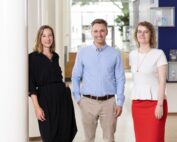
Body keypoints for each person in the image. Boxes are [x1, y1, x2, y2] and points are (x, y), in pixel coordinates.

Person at [72, 18, 125, 142]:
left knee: (109, 138)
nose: (98, 34)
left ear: (106, 32)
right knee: (89, 138)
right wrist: (78, 99)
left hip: (109, 103)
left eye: (102, 31)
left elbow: (120, 78)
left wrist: (120, 102)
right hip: (88, 102)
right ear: (91, 33)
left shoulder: (115, 53)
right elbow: (75, 76)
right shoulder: (83, 53)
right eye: (95, 31)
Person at [29, 25, 77, 142]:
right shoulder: (32, 57)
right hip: (45, 100)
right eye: (44, 35)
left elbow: (56, 76)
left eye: (50, 35)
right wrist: (37, 107)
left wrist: (64, 85)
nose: (47, 38)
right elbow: (30, 85)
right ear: (39, 38)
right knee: (49, 135)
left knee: (65, 133)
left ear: (53, 38)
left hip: (63, 99)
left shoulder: (55, 56)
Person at [129, 21, 168, 142]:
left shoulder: (158, 54)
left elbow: (162, 81)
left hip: (155, 104)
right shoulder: (132, 55)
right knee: (140, 139)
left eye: (146, 32)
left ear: (151, 35)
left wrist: (160, 105)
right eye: (139, 31)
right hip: (137, 104)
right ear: (136, 35)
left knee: (154, 138)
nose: (142, 34)